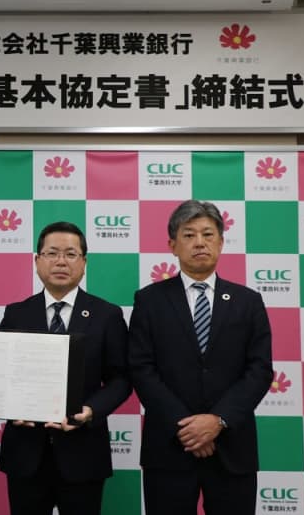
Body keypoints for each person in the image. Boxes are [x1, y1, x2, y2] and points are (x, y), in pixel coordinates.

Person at [128, 200, 273, 515]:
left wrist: (218, 421)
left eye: (208, 234)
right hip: (169, 447)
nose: (199, 242)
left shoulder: (248, 302)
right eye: (189, 234)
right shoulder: (149, 300)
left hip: (232, 446)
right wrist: (187, 428)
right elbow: (141, 369)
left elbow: (260, 370)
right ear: (172, 245)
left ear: (220, 243)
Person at [0, 221, 130, 515]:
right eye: (52, 253)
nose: (61, 261)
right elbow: (1, 375)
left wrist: (91, 411)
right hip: (25, 453)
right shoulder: (16, 313)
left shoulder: (107, 315)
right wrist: (11, 408)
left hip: (84, 452)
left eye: (70, 254)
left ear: (84, 262)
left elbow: (121, 379)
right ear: (37, 261)